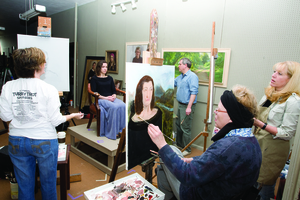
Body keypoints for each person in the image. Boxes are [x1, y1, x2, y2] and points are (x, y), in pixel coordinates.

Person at [147, 85, 262, 200]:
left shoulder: (226, 148)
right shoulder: (251, 141)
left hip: (196, 195)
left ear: (232, 117)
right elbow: (217, 163)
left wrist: (161, 144)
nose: (215, 112)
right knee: (172, 151)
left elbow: (187, 176)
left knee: (165, 157)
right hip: (226, 192)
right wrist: (194, 160)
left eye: (219, 109)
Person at [0, 47, 84, 200]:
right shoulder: (49, 89)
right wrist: (72, 115)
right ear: (38, 65)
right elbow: (56, 120)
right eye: (44, 61)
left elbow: (5, 116)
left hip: (16, 141)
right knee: (48, 184)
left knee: (24, 186)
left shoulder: (7, 87)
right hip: (44, 140)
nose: (45, 64)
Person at [253, 61, 300, 200]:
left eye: (279, 73)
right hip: (258, 143)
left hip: (273, 150)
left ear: (291, 80)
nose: (273, 75)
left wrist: (262, 125)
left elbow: (287, 133)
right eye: (274, 71)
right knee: (253, 181)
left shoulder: (293, 102)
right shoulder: (270, 94)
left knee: (264, 185)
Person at [127, 75, 162, 169]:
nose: (148, 94)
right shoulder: (133, 118)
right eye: (145, 89)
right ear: (140, 92)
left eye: (151, 89)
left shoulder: (158, 113)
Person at [90, 60, 125, 140]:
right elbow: (94, 93)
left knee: (123, 105)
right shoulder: (94, 79)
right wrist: (106, 98)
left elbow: (113, 90)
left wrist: (114, 96)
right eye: (103, 67)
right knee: (114, 107)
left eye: (106, 67)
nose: (105, 68)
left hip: (111, 98)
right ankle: (112, 132)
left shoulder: (110, 78)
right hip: (101, 99)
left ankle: (121, 131)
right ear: (99, 68)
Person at [174, 58, 199, 156]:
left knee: (185, 128)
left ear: (185, 65)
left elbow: (194, 93)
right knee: (178, 125)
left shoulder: (192, 77)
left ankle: (187, 149)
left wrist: (189, 107)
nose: (178, 66)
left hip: (187, 106)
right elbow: (172, 83)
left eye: (180, 64)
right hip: (180, 105)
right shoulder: (180, 77)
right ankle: (180, 146)